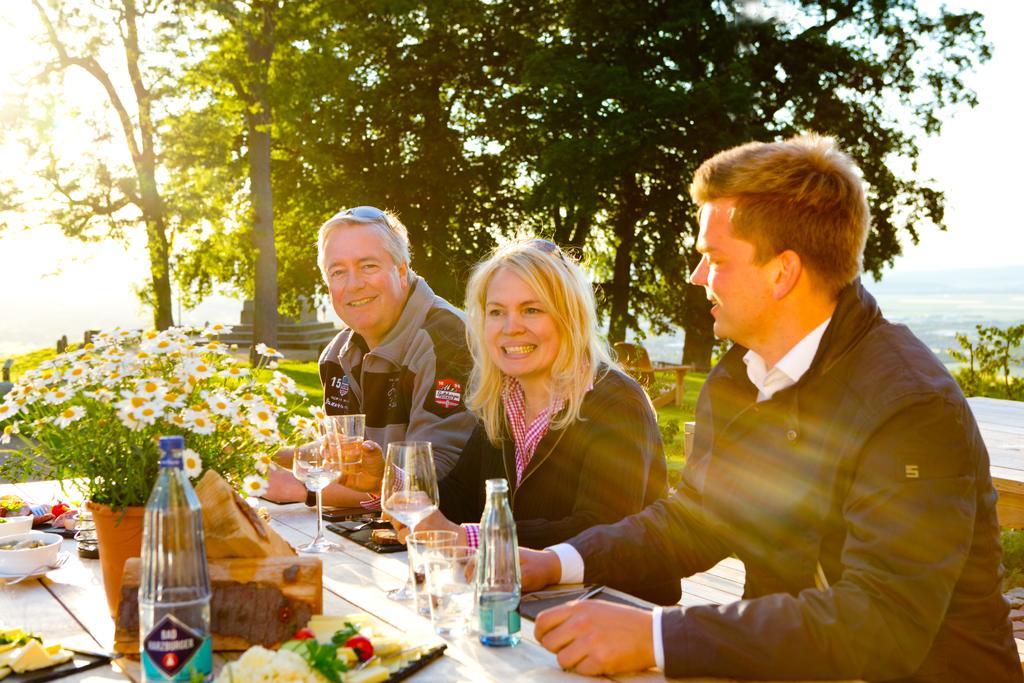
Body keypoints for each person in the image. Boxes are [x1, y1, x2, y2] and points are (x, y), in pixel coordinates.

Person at [519, 134, 1021, 682]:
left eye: (714, 259)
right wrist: (558, 561)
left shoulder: (910, 406)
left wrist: (657, 636)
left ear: (783, 272)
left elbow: (883, 622)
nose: (696, 277)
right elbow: (696, 520)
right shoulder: (741, 375)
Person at [359, 238, 677, 604]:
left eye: (531, 310)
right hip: (524, 594)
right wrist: (390, 483)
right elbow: (460, 496)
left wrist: (470, 538)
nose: (511, 327)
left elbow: (598, 527)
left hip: (615, 606)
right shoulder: (502, 397)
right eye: (496, 312)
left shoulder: (616, 401)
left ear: (568, 316)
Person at [264, 206, 476, 507]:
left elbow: (434, 479)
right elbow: (348, 465)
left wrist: (305, 490)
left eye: (368, 266)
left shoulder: (451, 341)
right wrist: (268, 455)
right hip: (375, 540)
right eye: (338, 272)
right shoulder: (336, 357)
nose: (353, 284)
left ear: (402, 271)